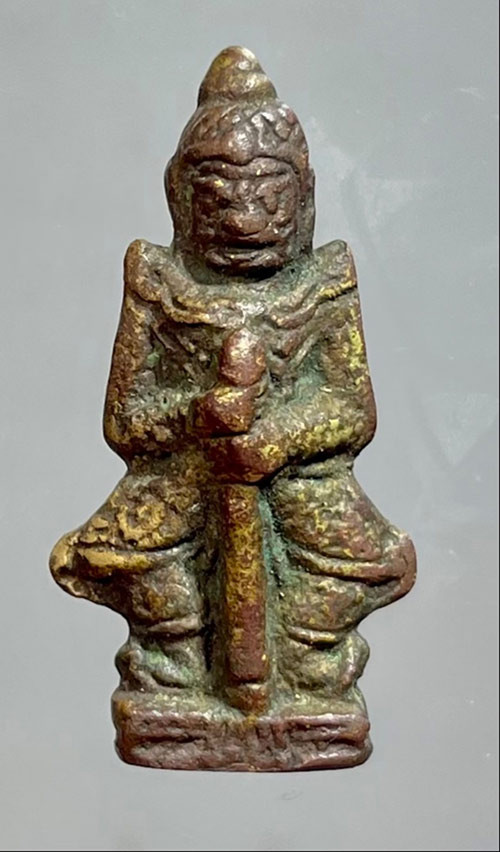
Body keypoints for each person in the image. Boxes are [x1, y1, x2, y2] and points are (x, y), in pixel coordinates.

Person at [51, 47, 415, 762]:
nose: (245, 222)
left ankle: (311, 677)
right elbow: (126, 420)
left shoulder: (325, 279)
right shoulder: (157, 278)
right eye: (218, 199)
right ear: (181, 200)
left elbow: (352, 408)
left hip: (298, 481)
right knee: (152, 582)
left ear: (302, 197)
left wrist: (276, 443)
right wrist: (199, 417)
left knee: (355, 572)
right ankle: (173, 679)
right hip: (183, 479)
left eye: (268, 197)